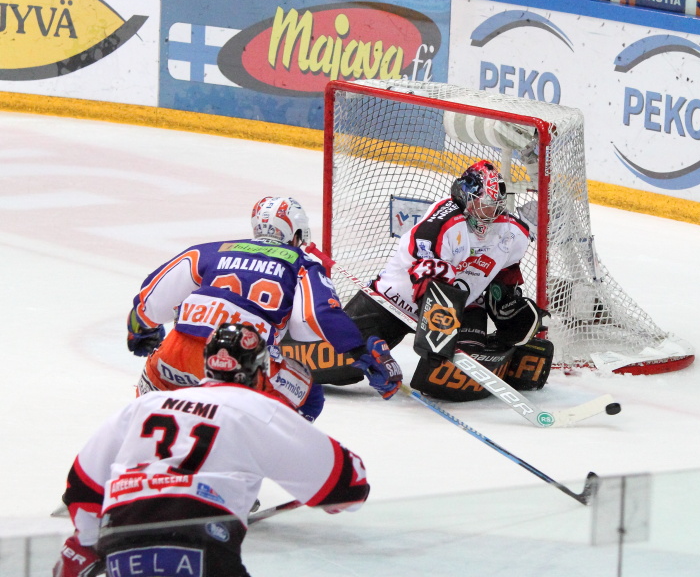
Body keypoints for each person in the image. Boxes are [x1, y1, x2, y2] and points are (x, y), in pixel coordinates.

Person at [53, 323, 371, 577]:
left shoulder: (147, 404)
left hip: (122, 544)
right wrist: (337, 499)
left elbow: (82, 486)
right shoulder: (257, 408)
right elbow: (348, 485)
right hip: (201, 544)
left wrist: (86, 542)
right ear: (259, 373)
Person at [126, 196, 402, 421]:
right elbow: (315, 317)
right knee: (310, 397)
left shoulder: (212, 250)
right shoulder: (301, 263)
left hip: (176, 352)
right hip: (243, 360)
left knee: (147, 417)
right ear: (296, 234)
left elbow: (151, 300)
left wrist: (140, 330)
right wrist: (361, 352)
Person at [329, 160, 552, 401]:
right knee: (336, 366)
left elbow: (506, 271)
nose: (491, 213)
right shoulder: (442, 222)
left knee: (448, 383)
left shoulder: (510, 232)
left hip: (463, 308)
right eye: (485, 204)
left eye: (495, 206)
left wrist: (505, 298)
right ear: (466, 196)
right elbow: (427, 278)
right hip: (394, 300)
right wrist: (438, 330)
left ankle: (511, 357)